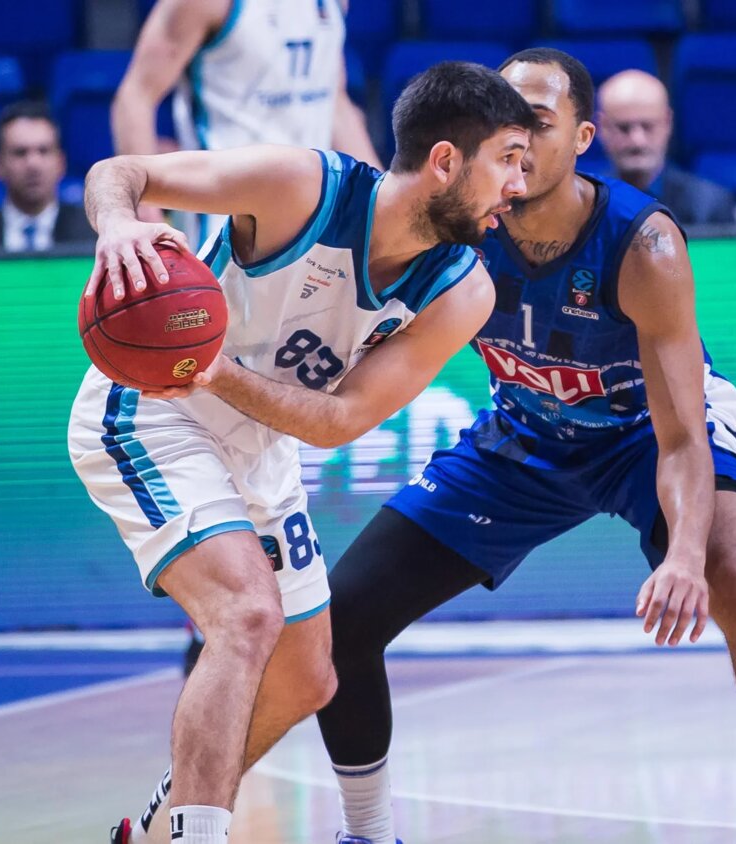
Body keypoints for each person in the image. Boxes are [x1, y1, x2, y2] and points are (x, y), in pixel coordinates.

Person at [314, 49, 736, 844]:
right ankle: (366, 833)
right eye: (505, 122)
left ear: (583, 137)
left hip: (644, 435)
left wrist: (682, 554)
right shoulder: (457, 227)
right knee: (342, 618)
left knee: (731, 567)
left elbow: (680, 435)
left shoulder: (644, 245)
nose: (519, 141)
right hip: (524, 433)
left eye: (537, 122)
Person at [68, 60, 534, 844]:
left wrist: (222, 374)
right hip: (151, 413)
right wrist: (119, 224)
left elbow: (340, 420)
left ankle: (162, 821)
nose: (519, 185)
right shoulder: (300, 187)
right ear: (447, 160)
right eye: (509, 159)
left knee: (310, 676)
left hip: (260, 445)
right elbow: (122, 171)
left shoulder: (463, 291)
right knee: (246, 615)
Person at [112, 0, 382, 243]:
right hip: (224, 226)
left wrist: (381, 193)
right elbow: (136, 96)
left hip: (315, 220)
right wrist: (148, 215)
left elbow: (335, 105)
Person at [0, 101, 95, 251]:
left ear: (61, 163)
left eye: (43, 151)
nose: (33, 164)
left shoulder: (94, 237)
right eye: (20, 152)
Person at [596, 68, 736, 225]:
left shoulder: (708, 204)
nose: (637, 141)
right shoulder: (583, 206)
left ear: (667, 123)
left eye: (648, 126)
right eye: (624, 128)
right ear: (602, 127)